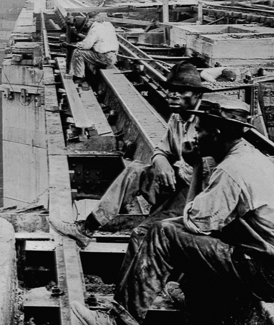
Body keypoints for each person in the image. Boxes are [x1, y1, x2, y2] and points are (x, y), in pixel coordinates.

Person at [71, 97, 274, 325]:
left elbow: (195, 222)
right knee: (196, 235)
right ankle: (195, 300)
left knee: (162, 233)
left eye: (199, 131)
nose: (194, 138)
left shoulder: (232, 170)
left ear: (217, 133)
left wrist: (197, 166)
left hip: (273, 275)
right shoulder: (248, 156)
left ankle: (120, 322)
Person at [51, 60, 206, 246]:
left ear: (197, 94)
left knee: (144, 235)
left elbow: (206, 174)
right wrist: (161, 161)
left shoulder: (207, 125)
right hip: (176, 184)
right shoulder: (177, 118)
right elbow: (161, 149)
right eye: (170, 89)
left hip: (195, 196)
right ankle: (87, 228)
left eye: (181, 91)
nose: (173, 95)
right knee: (134, 170)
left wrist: (174, 167)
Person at [69, 13, 118, 86]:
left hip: (103, 58)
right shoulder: (108, 25)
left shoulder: (94, 30)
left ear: (86, 25)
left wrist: (77, 44)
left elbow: (86, 46)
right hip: (113, 56)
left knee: (78, 52)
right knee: (94, 50)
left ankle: (78, 77)